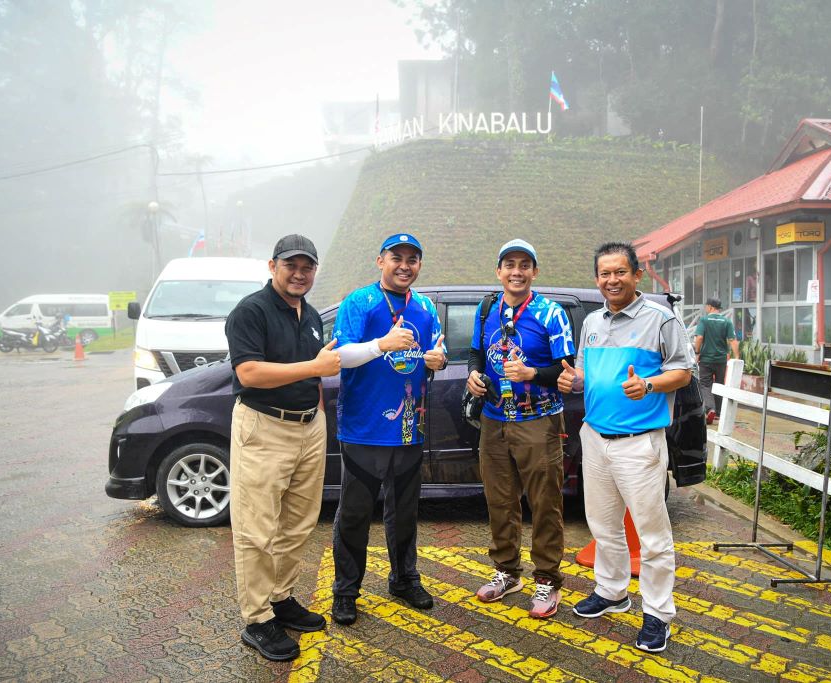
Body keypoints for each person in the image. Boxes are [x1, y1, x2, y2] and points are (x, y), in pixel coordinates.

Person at [558, 241, 692, 654]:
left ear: (637, 275)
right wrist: (573, 380)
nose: (611, 280)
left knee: (652, 535)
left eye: (620, 272)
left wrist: (648, 384)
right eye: (604, 273)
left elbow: (684, 371)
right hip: (595, 437)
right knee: (602, 525)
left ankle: (658, 614)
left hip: (640, 444)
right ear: (596, 279)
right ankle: (613, 592)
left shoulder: (660, 318)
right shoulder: (593, 321)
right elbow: (584, 370)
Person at [224, 234, 341, 662]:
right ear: (272, 266)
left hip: (309, 427)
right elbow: (249, 372)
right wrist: (315, 367)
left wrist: (320, 414)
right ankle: (257, 620)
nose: (299, 273)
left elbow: (313, 377)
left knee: (298, 523)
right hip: (263, 428)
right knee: (257, 530)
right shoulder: (250, 311)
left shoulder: (309, 314)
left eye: (307, 266)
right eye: (291, 265)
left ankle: (281, 597)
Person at [330, 233, 447, 626]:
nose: (404, 265)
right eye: (396, 257)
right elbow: (341, 356)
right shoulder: (358, 302)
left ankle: (404, 579)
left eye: (413, 259)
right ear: (380, 260)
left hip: (408, 429)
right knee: (355, 515)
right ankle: (346, 592)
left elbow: (433, 353)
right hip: (364, 430)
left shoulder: (426, 306)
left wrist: (438, 359)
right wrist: (382, 344)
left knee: (405, 512)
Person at [465, 239, 576, 619]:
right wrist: (473, 375)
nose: (516, 271)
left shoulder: (551, 313)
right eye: (509, 264)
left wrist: (533, 373)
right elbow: (476, 351)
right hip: (494, 420)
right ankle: (507, 573)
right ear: (499, 271)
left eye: (524, 265)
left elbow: (567, 370)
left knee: (545, 503)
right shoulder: (486, 309)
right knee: (499, 500)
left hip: (539, 420)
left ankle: (547, 579)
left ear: (534, 272)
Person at [694, 297, 739, 424]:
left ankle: (710, 409)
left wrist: (697, 352)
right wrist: (737, 358)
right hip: (721, 360)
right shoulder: (726, 321)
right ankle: (718, 413)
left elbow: (699, 338)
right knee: (719, 384)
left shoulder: (704, 320)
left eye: (706, 306)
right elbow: (733, 340)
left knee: (705, 384)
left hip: (706, 359)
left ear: (710, 307)